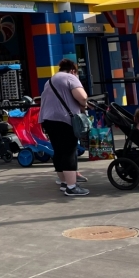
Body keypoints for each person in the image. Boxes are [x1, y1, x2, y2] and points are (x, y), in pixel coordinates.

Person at [38, 58, 90, 196]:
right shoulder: (70, 77)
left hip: (48, 119)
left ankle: (64, 183)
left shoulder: (50, 80)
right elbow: (83, 97)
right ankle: (71, 187)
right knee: (69, 152)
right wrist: (84, 105)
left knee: (59, 151)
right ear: (73, 70)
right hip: (65, 120)